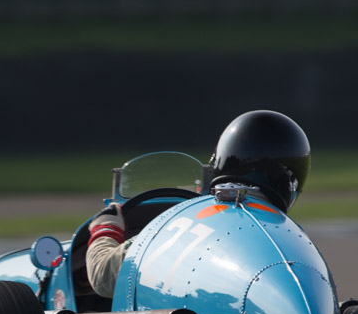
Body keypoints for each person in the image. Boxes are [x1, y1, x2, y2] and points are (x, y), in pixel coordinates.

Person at [86, 109, 311, 299]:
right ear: (291, 182)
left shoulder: (183, 223)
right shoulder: (293, 236)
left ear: (220, 161)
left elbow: (102, 276)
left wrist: (106, 229)